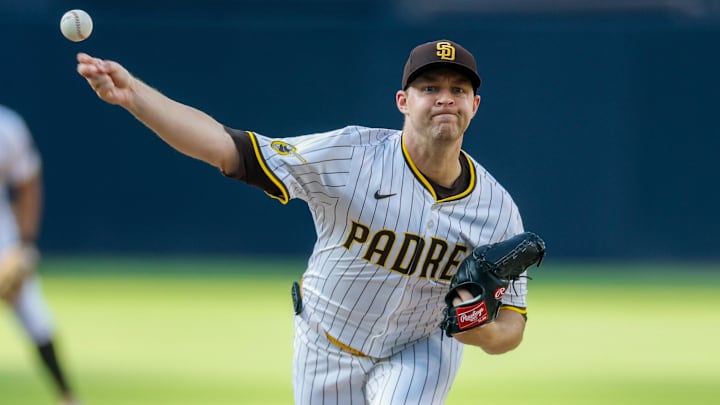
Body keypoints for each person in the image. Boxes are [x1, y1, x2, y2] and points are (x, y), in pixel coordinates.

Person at [76, 39, 531, 404]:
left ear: (475, 104)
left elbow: (512, 327)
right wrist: (135, 96)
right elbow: (224, 148)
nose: (445, 99)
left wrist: (480, 329)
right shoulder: (351, 155)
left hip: (422, 346)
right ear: (402, 101)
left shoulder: (497, 209)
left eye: (458, 90)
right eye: (430, 88)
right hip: (325, 343)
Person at [0, 104, 80, 405]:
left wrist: (26, 245)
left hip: (2, 240)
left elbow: (28, 182)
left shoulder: (6, 126)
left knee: (34, 316)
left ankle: (68, 396)